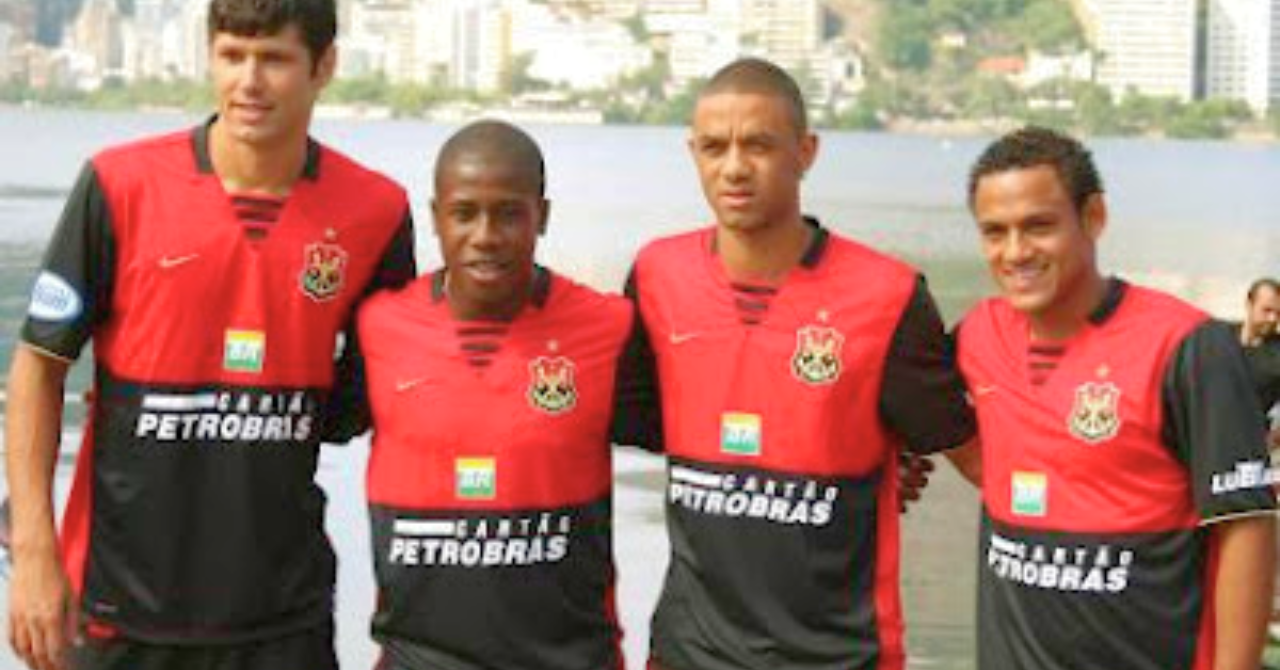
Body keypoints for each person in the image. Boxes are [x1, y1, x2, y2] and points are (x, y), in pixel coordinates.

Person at [4, 0, 415, 670]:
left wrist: (406, 615)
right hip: (118, 608)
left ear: (324, 67)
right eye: (232, 55)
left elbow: (390, 407)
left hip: (282, 616)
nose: (248, 82)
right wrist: (37, 556)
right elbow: (39, 370)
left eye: (274, 59)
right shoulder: (119, 185)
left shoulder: (375, 211)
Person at [621, 57, 979, 670]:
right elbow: (642, 423)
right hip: (686, 653)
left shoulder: (886, 296)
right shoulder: (657, 276)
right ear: (693, 152)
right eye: (714, 147)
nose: (734, 167)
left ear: (806, 151)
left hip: (836, 657)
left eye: (758, 144)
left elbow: (983, 463)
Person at [957, 126, 1276, 670]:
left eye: (1039, 226)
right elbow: (901, 397)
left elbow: (1246, 526)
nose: (1015, 252)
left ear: (1094, 217)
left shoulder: (1188, 346)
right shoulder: (975, 336)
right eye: (995, 232)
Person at [356, 120, 654, 670]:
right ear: (436, 217)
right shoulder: (378, 325)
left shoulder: (609, 327)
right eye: (465, 212)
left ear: (541, 216)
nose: (486, 234)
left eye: (509, 213)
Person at [1232, 278, 1280, 428]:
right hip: (1208, 437)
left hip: (1252, 442)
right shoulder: (1219, 339)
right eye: (1267, 310)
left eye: (1279, 313)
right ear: (1249, 304)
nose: (1273, 319)